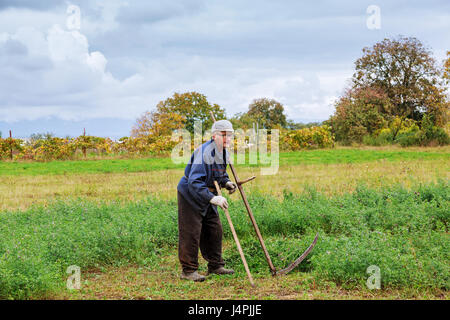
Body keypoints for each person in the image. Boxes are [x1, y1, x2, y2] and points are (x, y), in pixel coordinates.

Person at [177, 120, 238, 282]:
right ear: (213, 136)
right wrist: (213, 198)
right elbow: (195, 181)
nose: (227, 139)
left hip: (208, 195)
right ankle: (188, 271)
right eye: (223, 135)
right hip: (191, 193)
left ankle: (215, 266)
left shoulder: (224, 153)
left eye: (229, 135)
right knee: (191, 232)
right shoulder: (204, 153)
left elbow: (219, 174)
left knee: (214, 229)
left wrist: (227, 183)